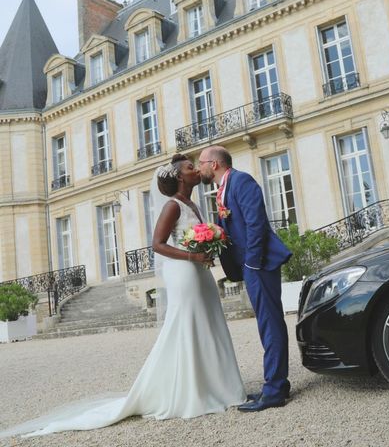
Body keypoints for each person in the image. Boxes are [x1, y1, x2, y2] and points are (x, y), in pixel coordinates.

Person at [0, 154, 246, 438]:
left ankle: (216, 386)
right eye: (190, 168)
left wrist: (208, 247)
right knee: (188, 327)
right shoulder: (172, 206)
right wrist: (193, 255)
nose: (196, 170)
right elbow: (157, 244)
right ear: (180, 177)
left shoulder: (193, 203)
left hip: (199, 271)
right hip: (185, 273)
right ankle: (191, 392)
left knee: (209, 324)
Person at [198, 145, 292, 412]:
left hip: (259, 265)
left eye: (202, 162)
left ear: (214, 164)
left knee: (269, 324)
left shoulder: (241, 181)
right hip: (250, 266)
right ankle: (277, 384)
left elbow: (256, 224)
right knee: (268, 324)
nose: (200, 167)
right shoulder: (224, 188)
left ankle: (274, 391)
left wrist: (251, 262)